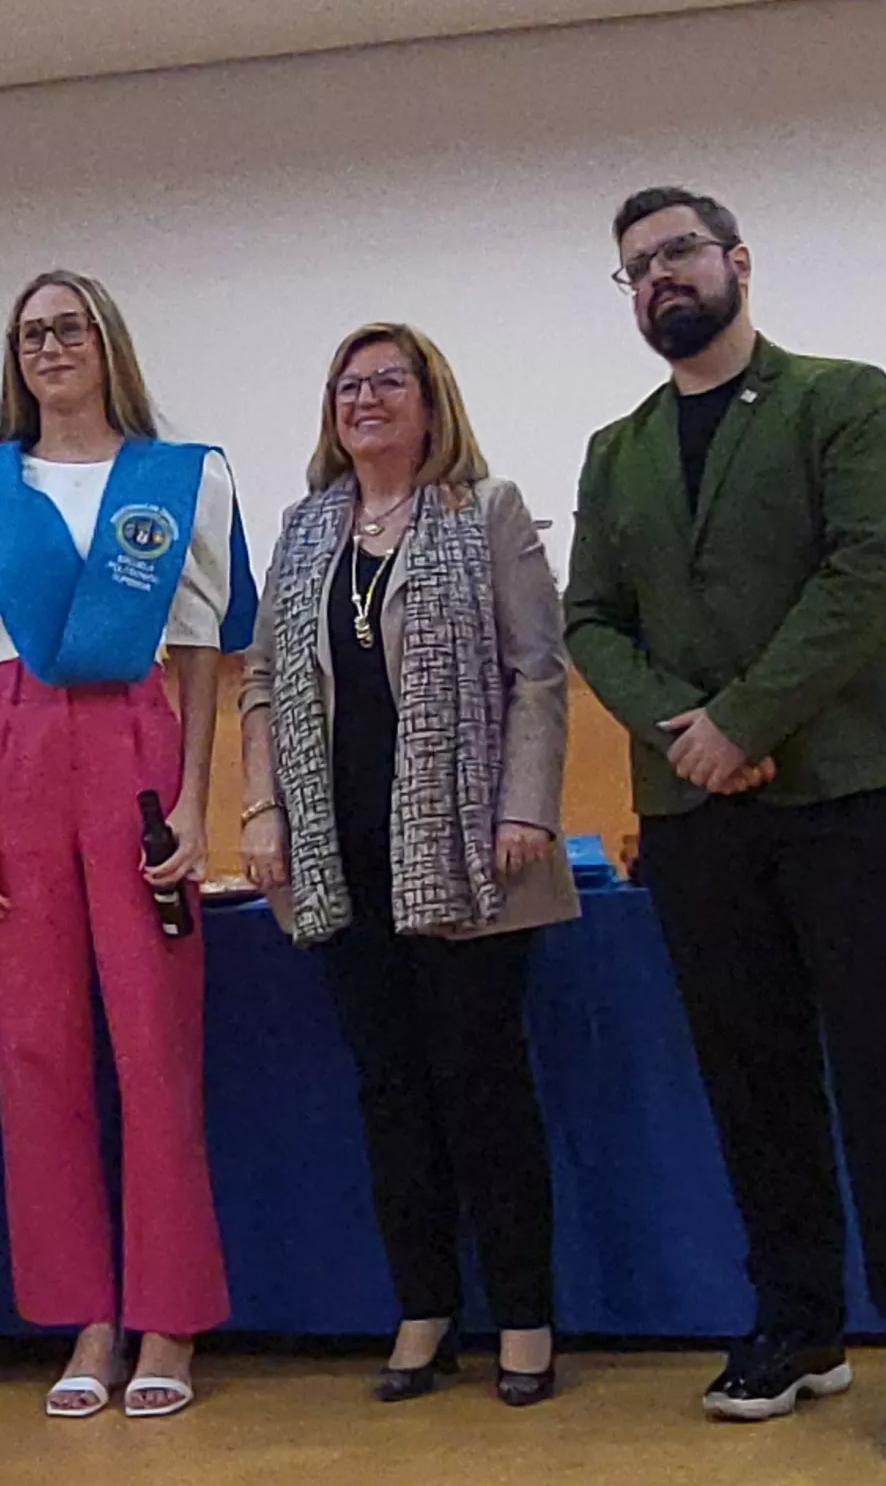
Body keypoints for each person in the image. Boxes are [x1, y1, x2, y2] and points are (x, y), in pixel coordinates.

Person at [565, 187, 886, 1461]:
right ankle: (798, 1323)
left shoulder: (842, 399)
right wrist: (685, 731)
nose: (660, 277)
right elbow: (591, 617)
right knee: (750, 1077)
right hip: (694, 810)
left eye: (679, 252)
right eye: (637, 268)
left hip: (848, 791)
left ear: (738, 262)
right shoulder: (618, 449)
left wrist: (743, 719)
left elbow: (869, 569)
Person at [0, 269, 254, 1420]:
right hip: (12, 743)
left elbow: (204, 648)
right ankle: (87, 1314)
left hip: (135, 738)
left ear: (107, 340)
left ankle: (170, 1313)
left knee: (154, 1038)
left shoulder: (182, 476)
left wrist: (198, 797)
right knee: (35, 1043)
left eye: (69, 327)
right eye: (31, 333)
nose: (51, 347)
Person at [235, 324, 579, 1406]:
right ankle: (424, 1308)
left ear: (433, 401)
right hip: (341, 853)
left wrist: (526, 806)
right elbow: (261, 680)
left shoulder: (487, 511)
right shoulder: (304, 528)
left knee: (484, 1090)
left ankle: (523, 1317)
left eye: (390, 379)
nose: (366, 397)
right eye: (348, 383)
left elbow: (539, 672)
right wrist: (262, 808)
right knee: (390, 1093)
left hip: (472, 850)